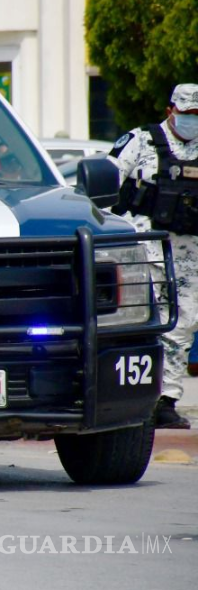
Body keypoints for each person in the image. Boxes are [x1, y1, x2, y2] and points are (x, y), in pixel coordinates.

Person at [109, 83, 198, 430]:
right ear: (169, 111)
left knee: (182, 324)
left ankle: (167, 399)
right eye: (186, 114)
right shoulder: (142, 141)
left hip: (188, 255)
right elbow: (105, 183)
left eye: (197, 115)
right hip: (143, 251)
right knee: (144, 323)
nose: (191, 121)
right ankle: (133, 397)